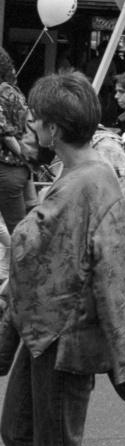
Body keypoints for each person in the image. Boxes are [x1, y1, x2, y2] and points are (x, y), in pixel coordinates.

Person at [0, 73, 125, 446]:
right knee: (20, 432)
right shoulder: (82, 176)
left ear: (54, 129)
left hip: (66, 336)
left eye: (36, 120)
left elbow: (110, 269)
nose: (30, 126)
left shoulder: (89, 181)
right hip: (44, 329)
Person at [0, 49, 27, 276]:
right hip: (18, 169)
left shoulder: (1, 93)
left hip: (7, 168)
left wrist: (25, 157)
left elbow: (6, 133)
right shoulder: (15, 93)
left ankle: (16, 283)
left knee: (18, 234)